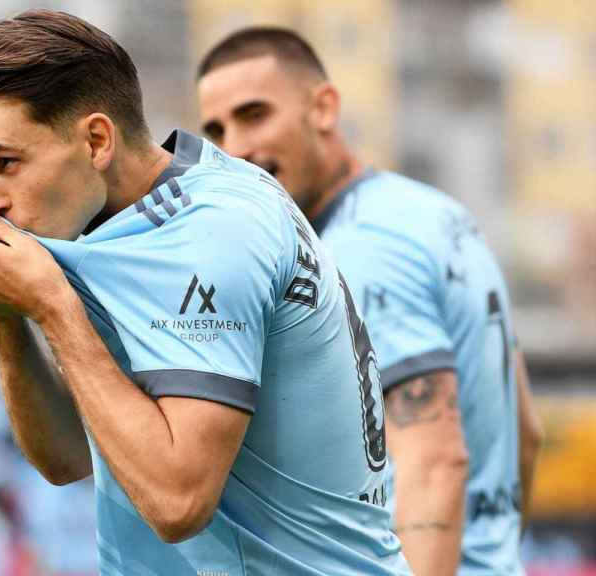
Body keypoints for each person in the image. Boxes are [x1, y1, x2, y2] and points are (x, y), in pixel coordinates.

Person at [0, 10, 411, 575]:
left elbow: (177, 504)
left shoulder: (214, 233)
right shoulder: (119, 226)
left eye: (5, 163)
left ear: (96, 141)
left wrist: (53, 307)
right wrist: (7, 314)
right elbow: (65, 459)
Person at [197, 27, 545, 576]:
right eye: (217, 130)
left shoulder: (360, 250)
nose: (235, 148)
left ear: (323, 108)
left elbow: (434, 462)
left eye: (255, 115)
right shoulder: (432, 214)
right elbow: (525, 433)